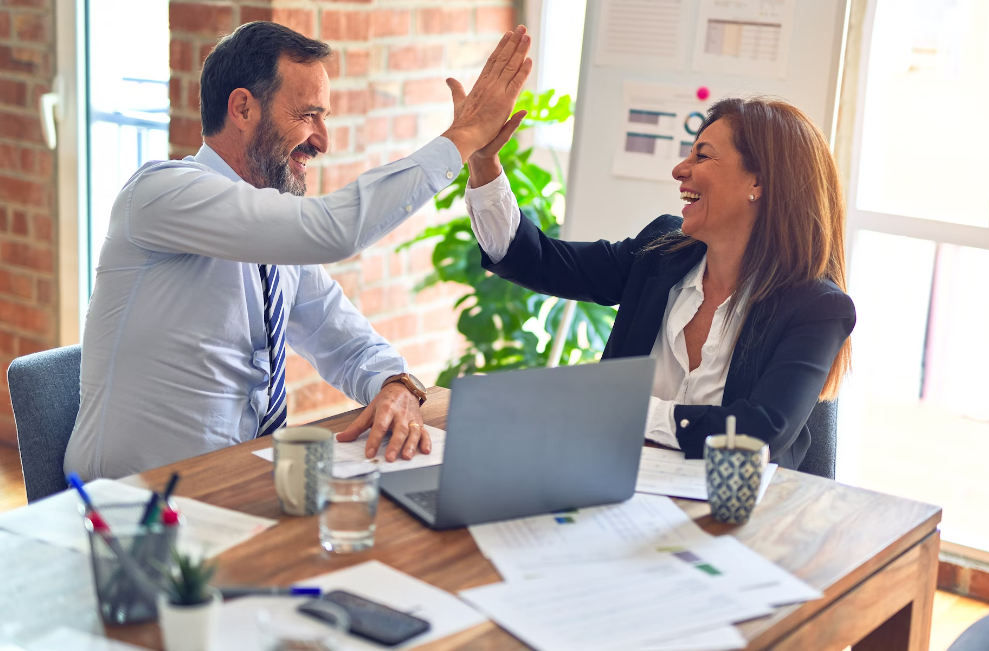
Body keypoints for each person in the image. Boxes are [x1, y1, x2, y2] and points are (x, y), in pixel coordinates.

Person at [65, 21, 533, 480]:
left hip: (237, 489)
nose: (322, 141)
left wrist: (396, 384)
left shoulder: (274, 238)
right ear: (243, 109)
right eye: (308, 114)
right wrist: (464, 137)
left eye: (323, 117)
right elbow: (334, 230)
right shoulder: (161, 194)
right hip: (130, 509)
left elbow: (346, 341)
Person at [463, 96, 855, 470]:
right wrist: (484, 162)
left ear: (758, 183)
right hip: (615, 487)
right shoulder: (660, 253)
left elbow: (757, 434)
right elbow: (538, 260)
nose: (680, 170)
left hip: (736, 518)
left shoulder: (816, 308)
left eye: (702, 155)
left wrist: (624, 409)